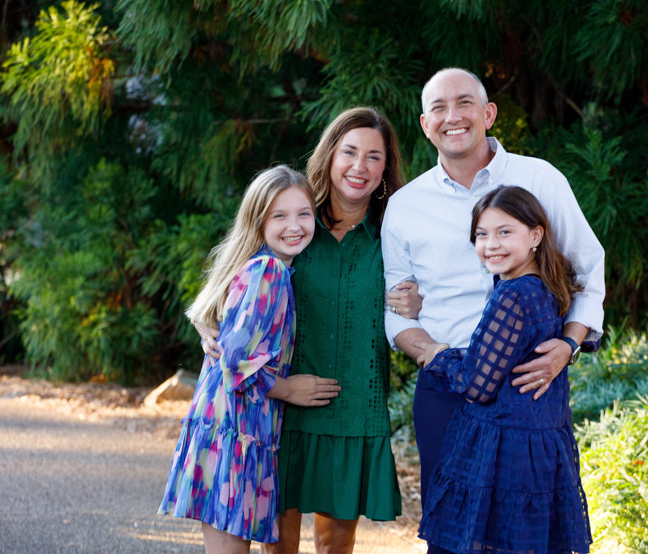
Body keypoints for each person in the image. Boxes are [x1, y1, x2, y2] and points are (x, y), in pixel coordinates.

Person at [381, 67, 604, 554]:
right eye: (438, 108)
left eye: (464, 103)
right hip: (445, 391)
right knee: (453, 539)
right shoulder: (405, 205)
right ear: (425, 124)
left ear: (488, 113)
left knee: (526, 537)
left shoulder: (538, 178)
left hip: (530, 392)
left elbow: (589, 268)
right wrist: (432, 352)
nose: (452, 116)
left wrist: (568, 345)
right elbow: (398, 311)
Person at [197, 108, 417, 554]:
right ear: (329, 156)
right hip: (283, 407)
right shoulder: (294, 221)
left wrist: (419, 306)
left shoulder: (397, 233)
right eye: (349, 152)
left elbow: (438, 294)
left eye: (373, 156)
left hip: (354, 405)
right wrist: (208, 324)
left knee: (337, 546)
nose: (359, 166)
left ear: (385, 168)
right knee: (279, 546)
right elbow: (234, 285)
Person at [159, 166, 341, 554]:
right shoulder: (269, 272)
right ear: (258, 222)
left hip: (234, 428)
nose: (294, 226)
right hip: (234, 430)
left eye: (303, 214)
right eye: (279, 215)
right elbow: (235, 363)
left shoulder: (269, 268)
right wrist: (288, 388)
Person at [416, 185, 592, 554]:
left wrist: (438, 355)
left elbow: (476, 385)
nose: (490, 244)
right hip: (542, 442)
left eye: (504, 232)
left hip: (505, 448)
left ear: (536, 235)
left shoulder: (513, 295)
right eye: (481, 235)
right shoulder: (548, 284)